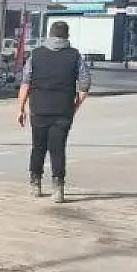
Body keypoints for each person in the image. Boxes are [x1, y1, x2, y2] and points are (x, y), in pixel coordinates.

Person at [15, 21, 92, 204]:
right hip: (63, 109)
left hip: (39, 109)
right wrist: (76, 105)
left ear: (49, 35)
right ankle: (58, 188)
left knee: (38, 146)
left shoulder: (36, 54)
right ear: (67, 36)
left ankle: (35, 183)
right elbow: (85, 82)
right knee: (58, 149)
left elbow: (26, 82)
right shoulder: (74, 56)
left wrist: (20, 108)